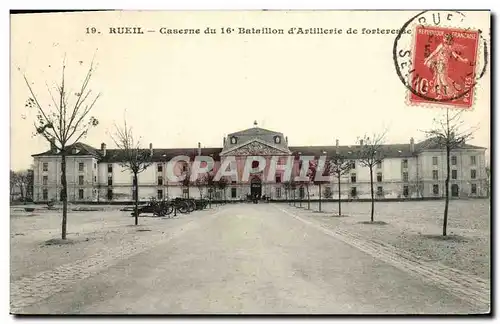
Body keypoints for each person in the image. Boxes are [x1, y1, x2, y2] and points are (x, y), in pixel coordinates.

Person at [423, 33, 469, 99]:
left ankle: (453, 92)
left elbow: (456, 56)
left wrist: (463, 60)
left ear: (449, 40)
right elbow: (434, 53)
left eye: (447, 39)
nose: (446, 40)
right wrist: (427, 60)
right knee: (439, 79)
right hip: (439, 64)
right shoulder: (441, 46)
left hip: (443, 65)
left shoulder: (450, 47)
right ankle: (440, 95)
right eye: (445, 38)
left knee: (443, 80)